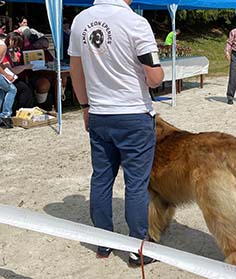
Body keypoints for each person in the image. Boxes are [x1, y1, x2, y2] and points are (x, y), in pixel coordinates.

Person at [68, 0, 164, 266]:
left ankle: (104, 242)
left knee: (101, 178)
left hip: (99, 112)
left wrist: (85, 105)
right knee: (136, 184)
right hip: (133, 113)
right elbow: (155, 77)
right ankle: (137, 249)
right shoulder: (136, 22)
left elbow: (76, 71)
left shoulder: (80, 21)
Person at [2, 32, 33, 113]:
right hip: (5, 76)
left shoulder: (8, 51)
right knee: (14, 89)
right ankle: (9, 113)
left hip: (7, 75)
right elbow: (11, 70)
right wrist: (25, 67)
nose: (16, 47)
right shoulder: (3, 48)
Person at [0, 34, 17, 128]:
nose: (14, 47)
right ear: (11, 40)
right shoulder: (2, 46)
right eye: (15, 43)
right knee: (12, 89)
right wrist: (7, 75)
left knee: (2, 91)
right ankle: (5, 115)